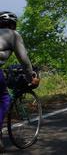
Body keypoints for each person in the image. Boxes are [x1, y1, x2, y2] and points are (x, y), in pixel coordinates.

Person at [0, 11, 39, 152]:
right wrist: (31, 77)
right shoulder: (13, 35)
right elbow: (24, 60)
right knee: (5, 98)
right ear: (12, 24)